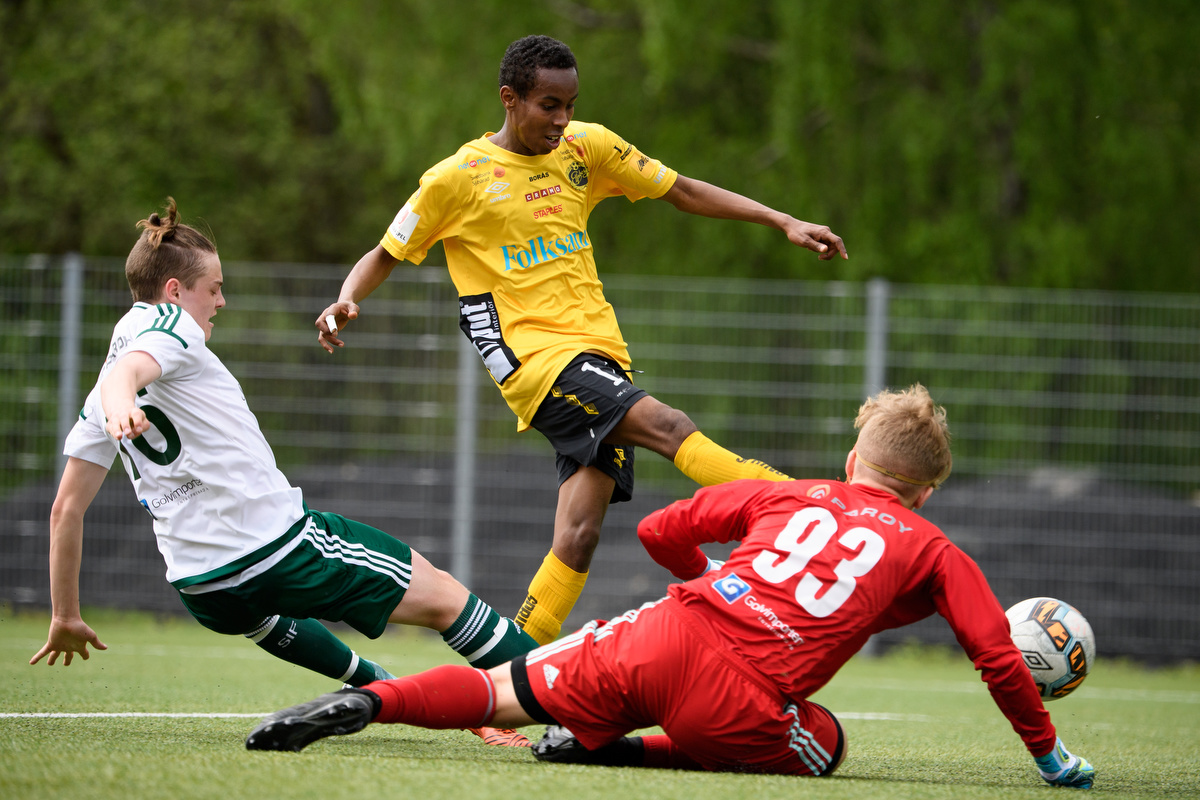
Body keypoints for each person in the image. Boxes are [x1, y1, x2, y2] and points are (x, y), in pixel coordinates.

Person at [246, 384, 1095, 789]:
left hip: (663, 632)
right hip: (741, 702)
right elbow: (995, 653)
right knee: (827, 744)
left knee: (500, 691)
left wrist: (715, 579)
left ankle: (368, 705)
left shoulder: (788, 494)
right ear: (927, 494)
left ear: (851, 462)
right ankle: (621, 750)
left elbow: (659, 530)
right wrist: (1048, 756)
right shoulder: (936, 549)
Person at [315, 34, 849, 647]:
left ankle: (507, 673)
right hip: (532, 360)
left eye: (570, 105)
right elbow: (386, 250)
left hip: (598, 353)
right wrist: (346, 297)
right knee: (669, 426)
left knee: (578, 535)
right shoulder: (456, 178)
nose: (562, 119)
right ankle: (812, 507)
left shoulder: (585, 148)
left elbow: (680, 189)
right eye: (549, 105)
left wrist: (782, 219)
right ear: (509, 99)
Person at [31, 200, 539, 745]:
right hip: (276, 549)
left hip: (202, 588)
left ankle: (403, 696)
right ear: (174, 290)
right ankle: (581, 698)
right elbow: (129, 374)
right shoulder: (166, 326)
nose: (221, 301)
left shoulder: (102, 381)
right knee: (446, 599)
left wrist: (65, 614)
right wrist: (122, 405)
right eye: (214, 288)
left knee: (264, 614)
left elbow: (65, 509)